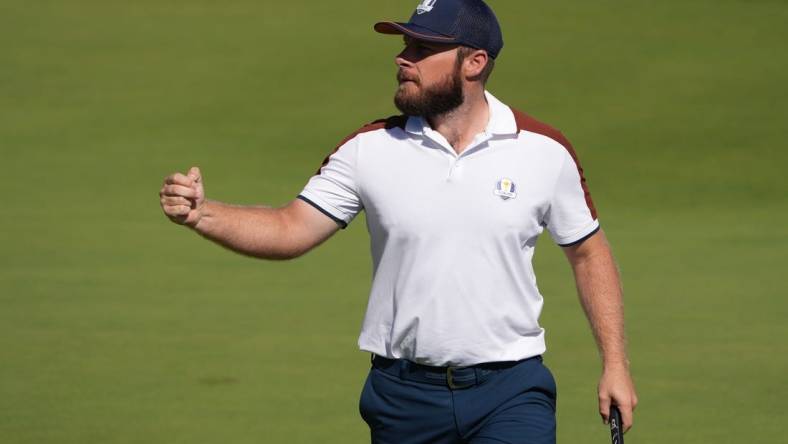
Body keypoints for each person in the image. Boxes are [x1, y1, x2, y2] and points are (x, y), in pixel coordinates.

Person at [158, 0, 637, 442]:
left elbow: (588, 251)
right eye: (405, 44)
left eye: (422, 47)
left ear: (475, 62)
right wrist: (205, 215)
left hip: (510, 390)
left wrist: (615, 363)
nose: (403, 58)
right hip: (403, 397)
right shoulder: (369, 149)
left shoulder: (543, 151)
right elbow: (290, 228)